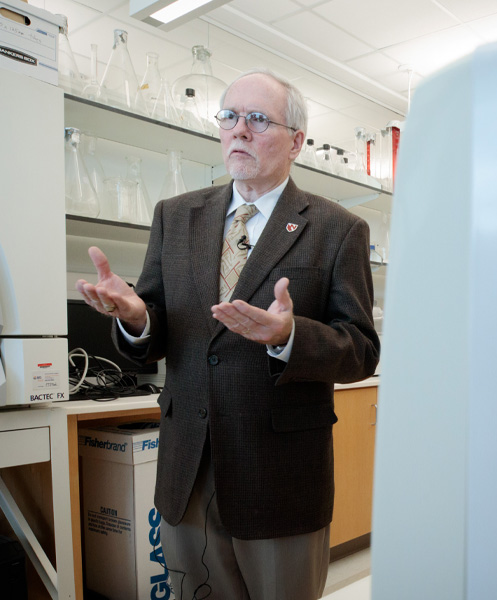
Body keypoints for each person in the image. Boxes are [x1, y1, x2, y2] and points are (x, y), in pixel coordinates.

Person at [76, 68, 380, 599]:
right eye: (230, 117)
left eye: (258, 119)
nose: (239, 130)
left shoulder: (337, 229)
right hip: (186, 466)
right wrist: (135, 317)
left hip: (279, 474)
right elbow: (159, 323)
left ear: (296, 142)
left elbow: (360, 349)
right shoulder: (175, 217)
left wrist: (289, 336)